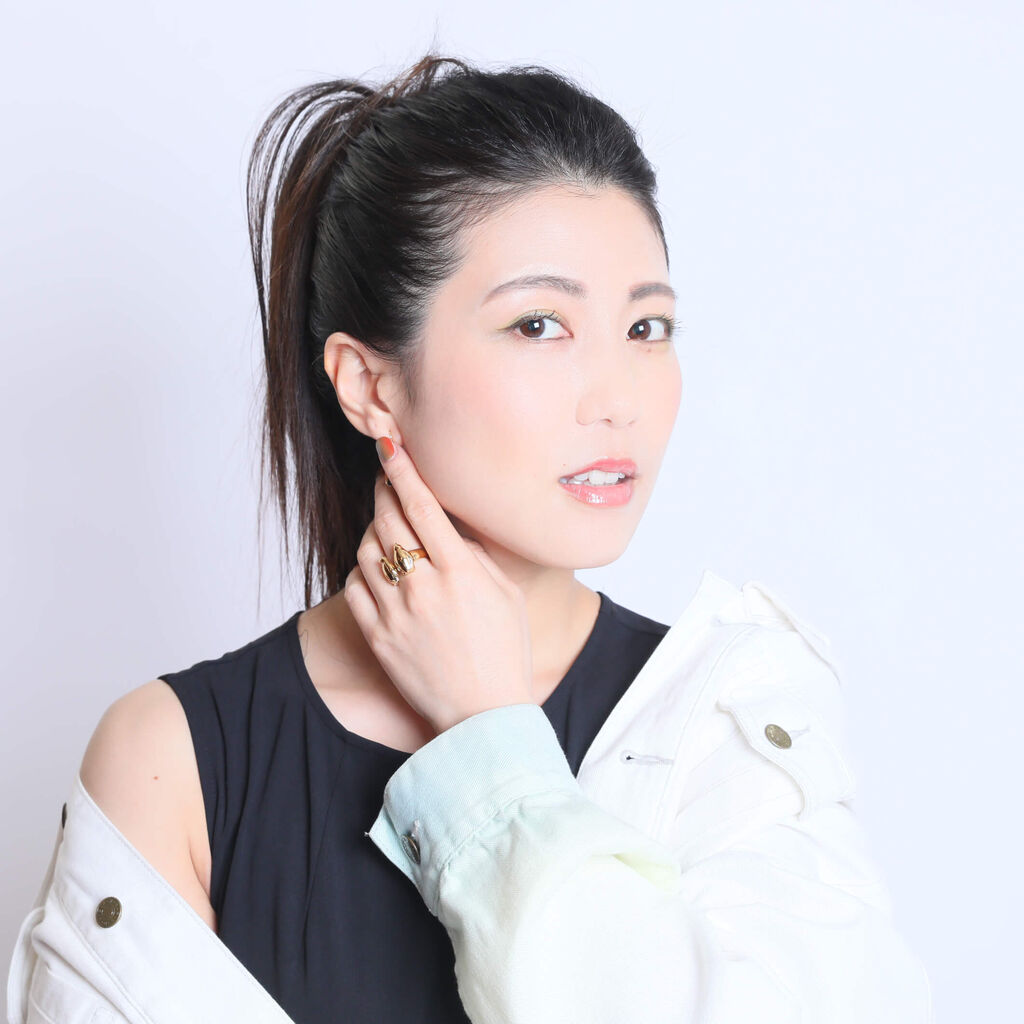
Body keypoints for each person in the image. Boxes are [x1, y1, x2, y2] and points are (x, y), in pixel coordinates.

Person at [8, 51, 934, 1024]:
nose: (617, 398)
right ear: (370, 385)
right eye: (539, 325)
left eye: (647, 328)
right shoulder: (175, 757)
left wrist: (489, 734)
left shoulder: (724, 717)